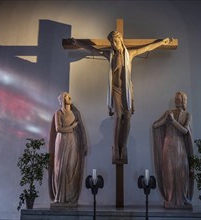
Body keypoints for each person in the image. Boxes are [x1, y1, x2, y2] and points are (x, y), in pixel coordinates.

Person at [68, 32, 173, 164]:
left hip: (127, 90)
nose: (114, 44)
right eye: (112, 42)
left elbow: (147, 48)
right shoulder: (110, 55)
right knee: (118, 116)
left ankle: (123, 146)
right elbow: (93, 49)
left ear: (121, 40)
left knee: (127, 117)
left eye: (116, 41)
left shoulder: (131, 54)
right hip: (116, 90)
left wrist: (161, 42)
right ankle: (115, 147)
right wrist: (77, 43)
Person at [152, 91, 194, 209]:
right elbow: (155, 126)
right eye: (175, 99)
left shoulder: (187, 115)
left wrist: (173, 122)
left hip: (180, 146)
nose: (176, 101)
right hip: (168, 145)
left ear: (183, 100)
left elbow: (185, 131)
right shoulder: (168, 113)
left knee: (182, 172)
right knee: (168, 172)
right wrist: (166, 120)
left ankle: (183, 199)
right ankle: (170, 199)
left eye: (178, 99)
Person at [48, 92, 87, 207]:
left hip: (73, 141)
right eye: (65, 95)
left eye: (69, 95)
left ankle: (70, 197)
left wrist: (84, 143)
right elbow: (58, 129)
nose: (69, 97)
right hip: (61, 141)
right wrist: (72, 126)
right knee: (61, 168)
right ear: (62, 99)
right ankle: (60, 197)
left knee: (71, 167)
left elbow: (82, 129)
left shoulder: (76, 113)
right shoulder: (58, 113)